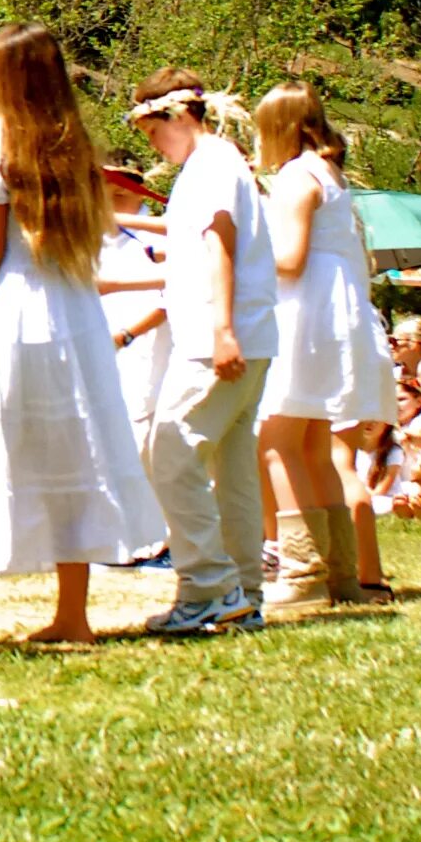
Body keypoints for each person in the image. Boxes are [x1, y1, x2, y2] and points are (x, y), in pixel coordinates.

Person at [0, 24, 166, 648]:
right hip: (75, 317)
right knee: (72, 451)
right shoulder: (76, 147)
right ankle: (73, 615)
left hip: (12, 313)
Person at [126, 67, 281, 637]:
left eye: (150, 130)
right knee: (232, 468)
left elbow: (220, 244)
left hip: (219, 340)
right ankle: (243, 592)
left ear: (177, 116)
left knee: (168, 451)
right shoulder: (216, 164)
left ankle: (209, 586)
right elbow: (195, 240)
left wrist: (221, 331)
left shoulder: (212, 166)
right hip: (244, 334)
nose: (151, 144)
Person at [252, 82, 392, 610]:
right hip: (338, 313)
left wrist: (236, 258)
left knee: (277, 442)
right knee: (314, 449)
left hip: (307, 316)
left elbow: (288, 260)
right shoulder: (331, 175)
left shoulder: (296, 177)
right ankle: (340, 576)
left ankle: (302, 570)